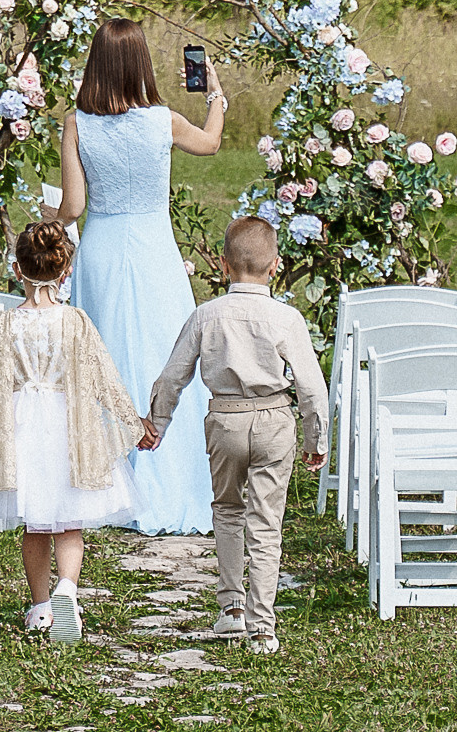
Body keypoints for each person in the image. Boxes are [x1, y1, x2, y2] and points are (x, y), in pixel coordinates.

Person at [45, 17, 226, 533]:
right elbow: (211, 144)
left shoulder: (77, 122)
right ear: (142, 63)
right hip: (154, 249)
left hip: (102, 246)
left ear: (95, 65)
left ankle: (107, 484)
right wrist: (216, 96)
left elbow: (74, 205)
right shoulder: (164, 120)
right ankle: (170, 474)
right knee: (166, 355)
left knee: (104, 355)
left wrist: (49, 220)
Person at [140, 216, 328, 656]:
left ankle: (231, 609)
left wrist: (158, 423)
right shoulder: (286, 318)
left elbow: (173, 377)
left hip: (225, 419)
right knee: (266, 523)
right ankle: (264, 626)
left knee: (226, 511)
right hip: (274, 421)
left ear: (224, 265)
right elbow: (312, 387)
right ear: (275, 266)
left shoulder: (206, 315)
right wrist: (314, 440)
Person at [0, 220, 144, 645]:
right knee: (68, 522)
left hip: (22, 427)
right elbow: (102, 377)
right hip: (67, 427)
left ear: (16, 271)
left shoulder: (4, 324)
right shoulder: (75, 321)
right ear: (66, 272)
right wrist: (133, 423)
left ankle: (41, 607)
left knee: (34, 525)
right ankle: (68, 593)